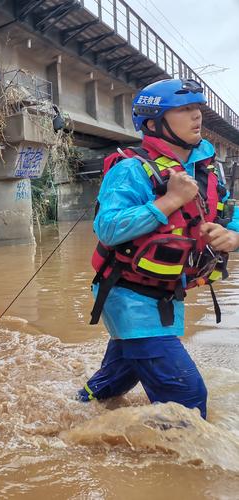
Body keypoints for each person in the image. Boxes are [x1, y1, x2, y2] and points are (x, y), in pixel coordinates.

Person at [79, 79, 239, 419]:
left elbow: (229, 214)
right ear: (153, 123)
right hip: (128, 294)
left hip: (167, 295)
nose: (196, 116)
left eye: (197, 109)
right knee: (187, 399)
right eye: (183, 110)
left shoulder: (205, 171)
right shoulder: (130, 171)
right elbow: (107, 228)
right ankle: (185, 468)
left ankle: (74, 412)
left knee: (115, 382)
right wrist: (170, 201)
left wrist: (233, 235)